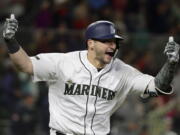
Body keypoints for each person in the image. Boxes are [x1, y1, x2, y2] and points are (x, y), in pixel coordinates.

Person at [2, 14, 180, 135]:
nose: (113, 46)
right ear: (91, 43)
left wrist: (170, 64)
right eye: (107, 41)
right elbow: (25, 65)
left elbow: (157, 87)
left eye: (115, 42)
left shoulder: (123, 71)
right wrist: (10, 41)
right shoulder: (63, 62)